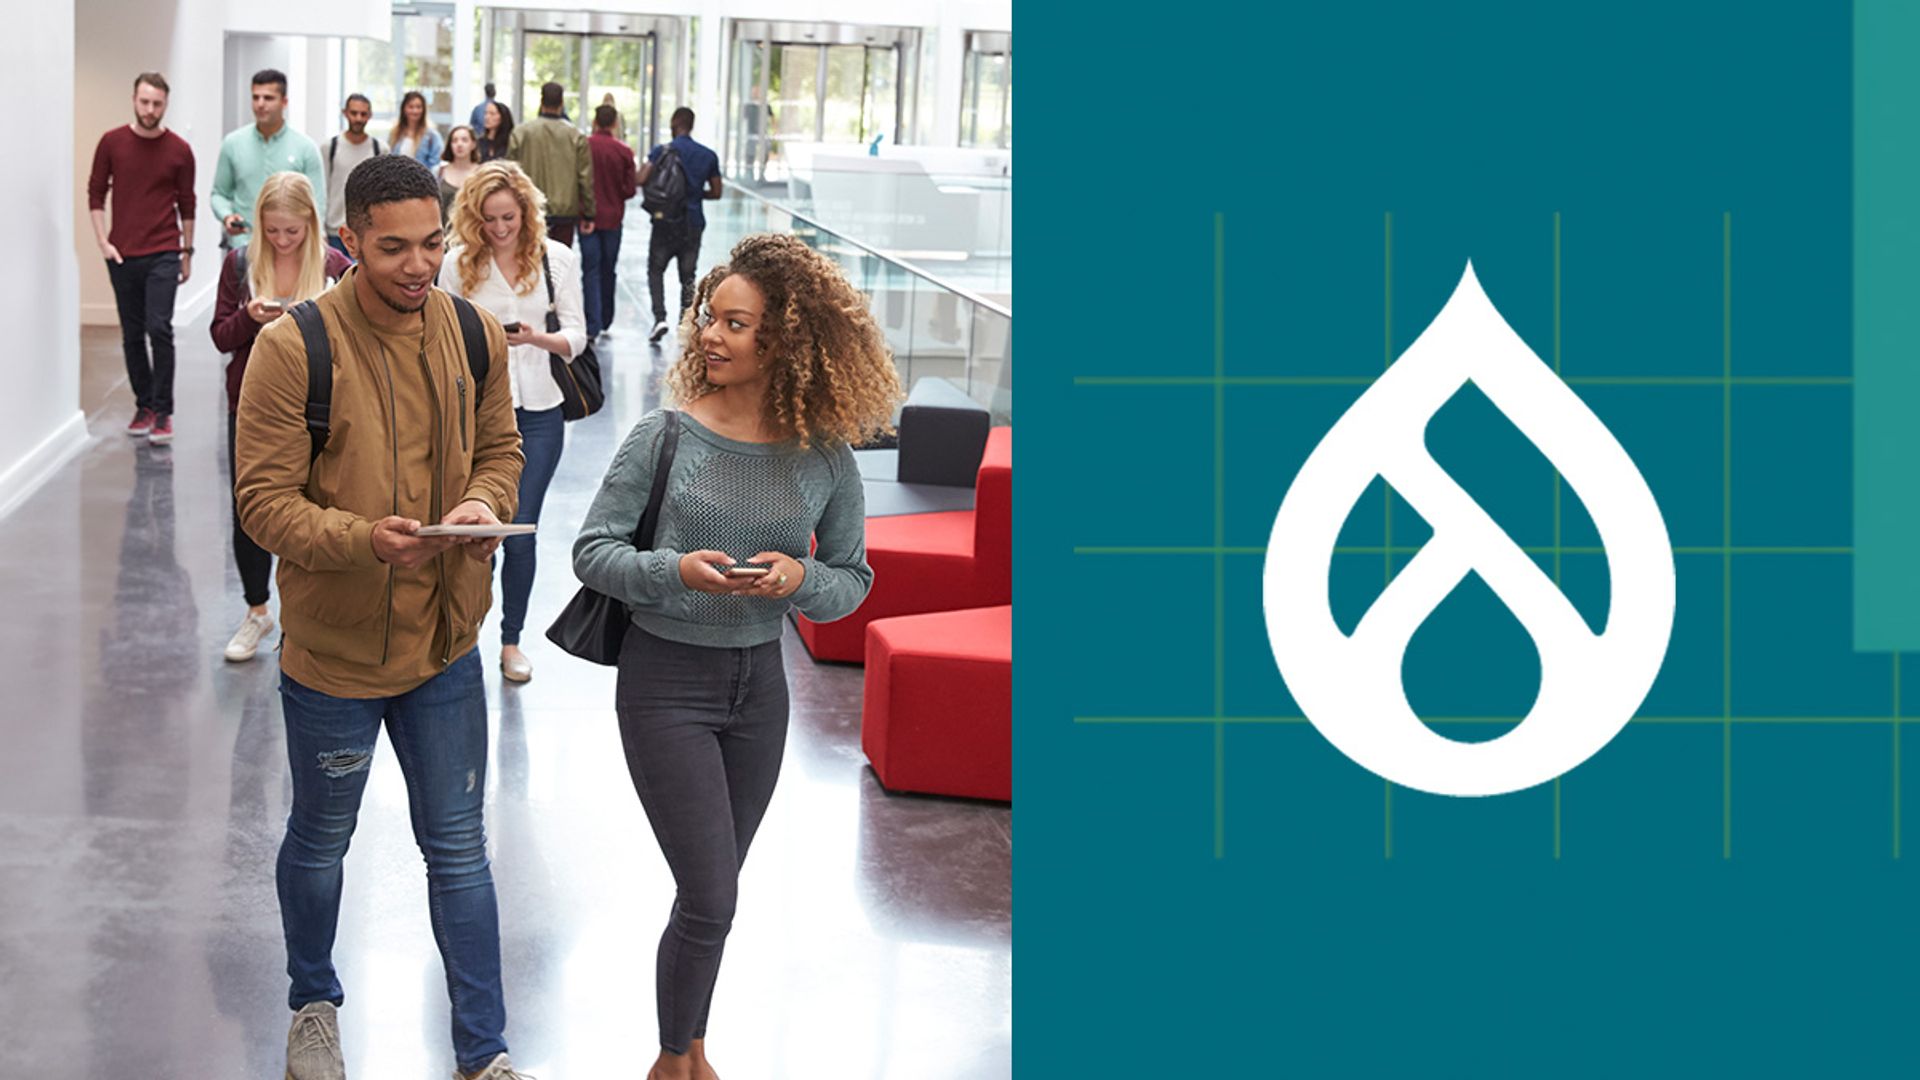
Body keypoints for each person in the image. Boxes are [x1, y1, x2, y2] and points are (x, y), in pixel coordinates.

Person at [572, 233, 901, 1080]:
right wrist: (671, 570)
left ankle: (692, 1049)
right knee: (714, 893)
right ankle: (670, 1061)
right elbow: (593, 551)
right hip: (665, 683)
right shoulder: (664, 435)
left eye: (736, 323)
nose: (710, 336)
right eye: (709, 318)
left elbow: (853, 580)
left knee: (709, 894)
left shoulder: (825, 455)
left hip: (760, 689)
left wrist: (800, 580)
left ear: (784, 341)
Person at [233, 154, 532, 1080]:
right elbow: (262, 504)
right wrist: (367, 539)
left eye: (432, 243)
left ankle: (484, 1053)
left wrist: (484, 504)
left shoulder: (476, 334)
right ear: (350, 242)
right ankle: (312, 1004)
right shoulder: (294, 349)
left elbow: (501, 448)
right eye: (393, 247)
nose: (417, 264)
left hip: (446, 645)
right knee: (321, 841)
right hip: (335, 657)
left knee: (459, 851)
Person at [438, 161, 586, 684]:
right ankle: (462, 637)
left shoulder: (558, 260)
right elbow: (441, 336)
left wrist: (534, 338)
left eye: (509, 217)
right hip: (476, 411)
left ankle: (510, 640)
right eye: (489, 220)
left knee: (519, 532)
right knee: (473, 531)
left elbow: (577, 337)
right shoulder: (456, 264)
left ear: (526, 211)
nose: (500, 229)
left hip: (542, 411)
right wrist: (486, 344)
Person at [209, 172, 352, 663]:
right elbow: (221, 337)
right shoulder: (239, 264)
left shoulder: (336, 266)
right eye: (272, 232)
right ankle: (256, 610)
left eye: (292, 232)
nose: (282, 240)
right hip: (251, 404)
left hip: (321, 404)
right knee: (251, 509)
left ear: (311, 225)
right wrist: (250, 316)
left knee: (315, 507)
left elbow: (359, 337)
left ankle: (303, 615)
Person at [88, 71, 195, 446]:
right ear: (134, 99)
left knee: (159, 328)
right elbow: (95, 193)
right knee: (132, 334)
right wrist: (103, 241)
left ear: (166, 104)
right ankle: (144, 405)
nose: (150, 109)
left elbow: (187, 203)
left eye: (157, 103)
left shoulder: (180, 150)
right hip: (122, 254)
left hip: (165, 250)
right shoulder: (112, 142)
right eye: (145, 101)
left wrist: (187, 252)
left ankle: (164, 411)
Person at [212, 69, 325, 253]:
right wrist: (227, 216)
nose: (260, 104)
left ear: (284, 102)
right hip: (244, 246)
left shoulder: (305, 148)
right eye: (255, 97)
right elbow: (219, 193)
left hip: (290, 250)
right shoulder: (232, 143)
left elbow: (317, 204)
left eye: (268, 98)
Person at [639, 107, 722, 343]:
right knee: (688, 276)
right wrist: (694, 195)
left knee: (655, 270)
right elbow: (717, 192)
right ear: (692, 125)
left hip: (664, 220)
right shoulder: (708, 155)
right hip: (692, 222)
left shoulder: (661, 151)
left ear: (674, 123)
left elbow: (641, 178)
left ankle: (659, 318)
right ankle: (684, 324)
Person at [507, 81, 594, 246]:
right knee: (560, 264)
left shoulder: (521, 133)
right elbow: (585, 178)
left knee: (529, 260)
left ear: (541, 102)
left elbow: (510, 172)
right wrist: (589, 213)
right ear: (562, 103)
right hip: (565, 211)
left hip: (529, 207)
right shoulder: (576, 136)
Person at [583, 103, 637, 340]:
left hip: (588, 218)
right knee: (608, 268)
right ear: (615, 123)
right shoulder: (624, 151)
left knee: (590, 269)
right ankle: (606, 318)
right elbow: (630, 189)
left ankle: (591, 323)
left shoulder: (584, 147)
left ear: (595, 122)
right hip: (613, 218)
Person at [323, 94, 383, 259]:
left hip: (367, 231)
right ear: (345, 113)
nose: (358, 118)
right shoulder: (330, 147)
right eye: (354, 113)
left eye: (363, 114)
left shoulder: (379, 149)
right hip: (334, 230)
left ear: (369, 116)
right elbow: (322, 190)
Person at [438, 125, 482, 223]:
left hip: (472, 233)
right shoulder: (439, 172)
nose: (459, 144)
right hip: (444, 234)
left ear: (473, 144)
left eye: (464, 140)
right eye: (455, 140)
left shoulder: (481, 173)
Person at [392, 89, 445, 166]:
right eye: (411, 107)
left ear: (424, 110)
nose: (415, 111)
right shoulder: (395, 133)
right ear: (404, 109)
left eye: (418, 107)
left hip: (421, 177)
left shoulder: (432, 136)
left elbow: (436, 163)